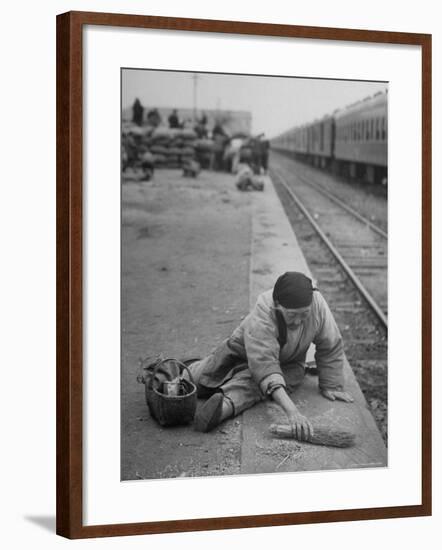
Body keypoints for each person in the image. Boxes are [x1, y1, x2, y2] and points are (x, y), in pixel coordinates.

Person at [188, 271, 354, 435]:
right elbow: (264, 365)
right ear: (277, 306)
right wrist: (293, 412)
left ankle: (221, 408)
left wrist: (331, 384)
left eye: (304, 314)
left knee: (253, 386)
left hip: (287, 363)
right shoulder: (264, 309)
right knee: (203, 377)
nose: (298, 321)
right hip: (239, 351)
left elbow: (330, 344)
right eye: (291, 315)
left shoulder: (316, 304)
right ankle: (174, 378)